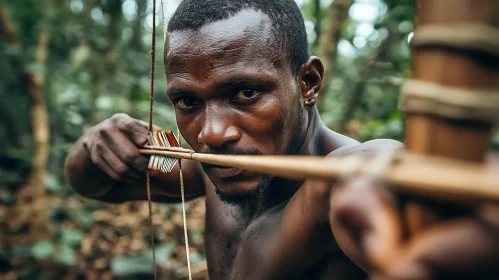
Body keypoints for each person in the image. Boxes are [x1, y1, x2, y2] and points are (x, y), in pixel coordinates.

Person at [64, 0, 499, 279]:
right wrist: (95, 146)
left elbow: (371, 177)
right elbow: (95, 184)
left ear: (308, 82)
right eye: (187, 102)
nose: (212, 132)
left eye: (245, 93)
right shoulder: (215, 165)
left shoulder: (343, 179)